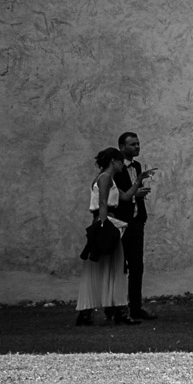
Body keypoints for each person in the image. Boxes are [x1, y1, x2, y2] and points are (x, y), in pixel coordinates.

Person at [76, 147, 134, 326]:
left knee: (104, 265)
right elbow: (102, 202)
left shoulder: (107, 178)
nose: (122, 165)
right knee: (116, 264)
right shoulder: (105, 178)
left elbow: (125, 197)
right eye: (120, 161)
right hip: (107, 220)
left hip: (106, 219)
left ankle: (93, 312)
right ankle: (118, 311)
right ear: (113, 161)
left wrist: (139, 180)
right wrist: (103, 225)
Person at [112, 132, 154, 320]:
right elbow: (116, 196)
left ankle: (135, 306)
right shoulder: (116, 169)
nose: (137, 147)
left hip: (137, 221)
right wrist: (134, 195)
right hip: (121, 221)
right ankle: (117, 308)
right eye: (132, 144)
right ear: (122, 147)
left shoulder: (137, 166)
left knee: (137, 266)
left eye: (138, 143)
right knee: (119, 266)